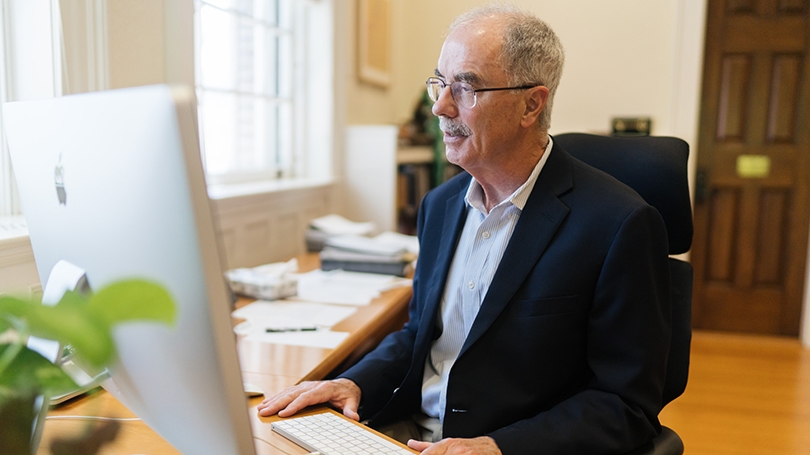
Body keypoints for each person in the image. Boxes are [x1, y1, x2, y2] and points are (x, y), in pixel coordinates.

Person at [259, 5, 671, 454]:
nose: (440, 106)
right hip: (405, 436)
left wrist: (497, 447)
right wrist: (354, 383)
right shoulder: (440, 205)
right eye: (440, 82)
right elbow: (421, 337)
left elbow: (625, 406)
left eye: (466, 88)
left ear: (532, 103)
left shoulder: (618, 225)